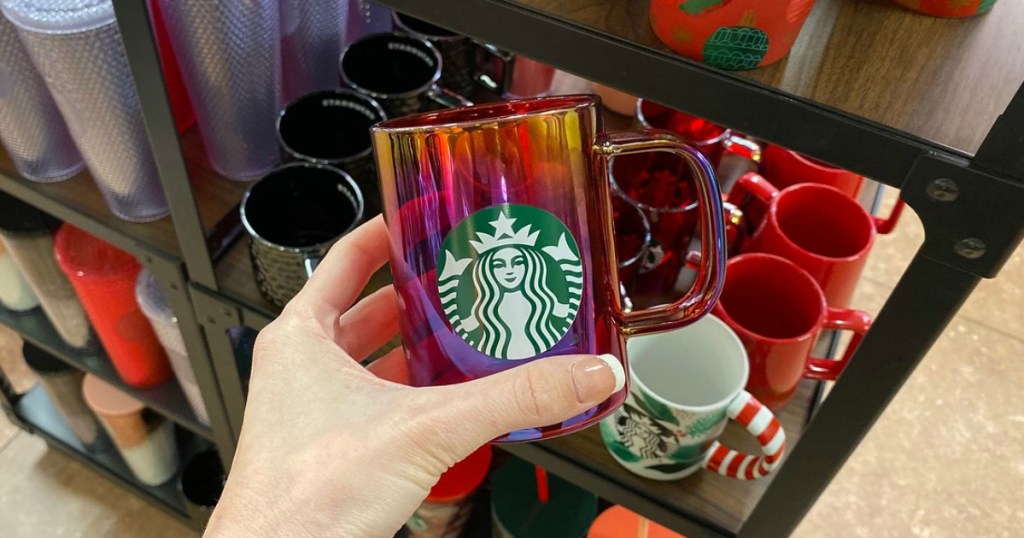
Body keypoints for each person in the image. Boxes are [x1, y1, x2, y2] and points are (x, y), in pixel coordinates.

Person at [206, 216, 623, 537]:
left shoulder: (544, 307)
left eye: (519, 260)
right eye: (500, 263)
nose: (509, 270)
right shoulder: (482, 318)